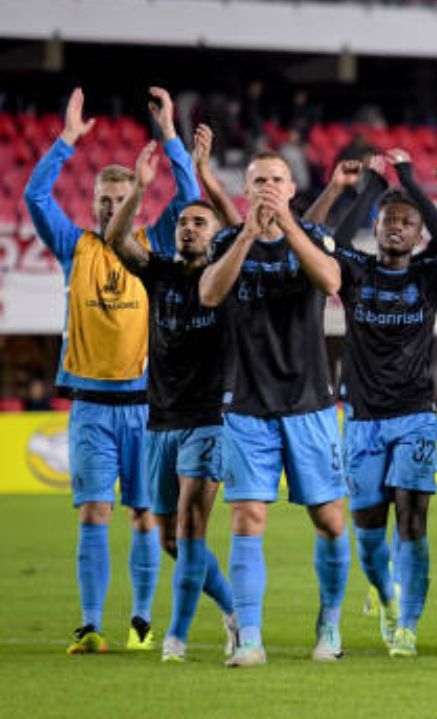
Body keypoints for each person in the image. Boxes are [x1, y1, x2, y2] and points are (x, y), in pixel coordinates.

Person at [25, 87, 199, 655]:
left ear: (138, 202)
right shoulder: (74, 246)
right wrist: (68, 140)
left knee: (147, 517)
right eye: (103, 198)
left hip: (147, 409)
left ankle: (142, 621)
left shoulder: (153, 246)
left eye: (120, 197)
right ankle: (91, 622)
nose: (108, 206)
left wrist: (171, 135)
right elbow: (33, 195)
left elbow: (193, 197)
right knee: (94, 512)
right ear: (94, 201)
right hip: (91, 408)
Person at [334, 154, 437, 658]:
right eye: (389, 222)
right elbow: (327, 241)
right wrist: (364, 185)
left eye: (408, 222)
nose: (397, 229)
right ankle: (386, 595)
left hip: (415, 417)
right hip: (361, 419)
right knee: (367, 532)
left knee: (412, 520)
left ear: (419, 233)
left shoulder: (429, 276)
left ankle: (407, 626)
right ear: (376, 228)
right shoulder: (354, 272)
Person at [198, 150, 349, 668]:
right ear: (245, 190)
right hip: (246, 404)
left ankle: (329, 623)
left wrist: (286, 224)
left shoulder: (316, 238)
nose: (267, 187)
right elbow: (210, 294)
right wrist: (245, 234)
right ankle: (250, 637)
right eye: (258, 180)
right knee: (247, 517)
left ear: (291, 188)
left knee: (330, 521)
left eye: (276, 180)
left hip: (310, 403)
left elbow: (331, 282)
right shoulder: (225, 241)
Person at [103, 138, 238, 663]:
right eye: (184, 222)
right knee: (172, 543)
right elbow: (117, 240)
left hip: (210, 419)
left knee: (191, 526)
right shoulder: (159, 273)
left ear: (216, 235)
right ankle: (233, 614)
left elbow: (241, 230)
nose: (188, 228)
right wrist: (139, 188)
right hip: (159, 420)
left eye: (200, 223)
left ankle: (177, 639)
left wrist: (203, 172)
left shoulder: (225, 277)